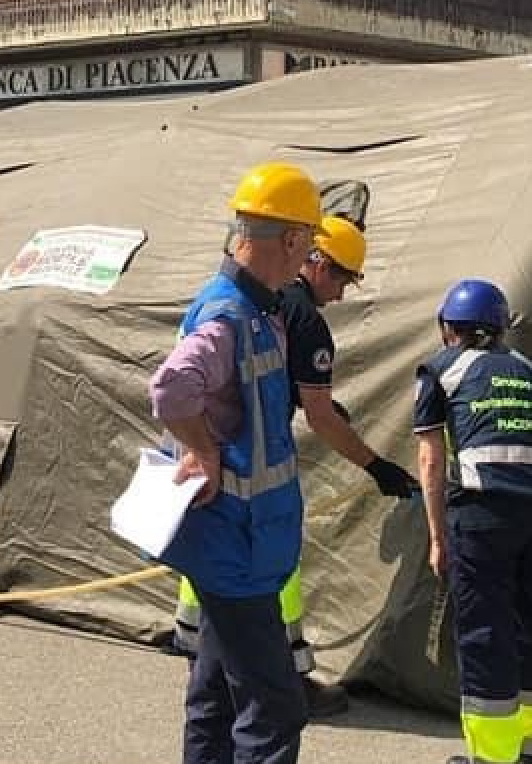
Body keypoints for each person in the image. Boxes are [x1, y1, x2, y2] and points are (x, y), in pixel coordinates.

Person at [171, 214, 419, 719]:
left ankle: (209, 663)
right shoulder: (303, 319)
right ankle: (286, 676)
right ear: (316, 260)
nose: (344, 293)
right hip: (254, 486)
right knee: (273, 587)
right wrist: (376, 466)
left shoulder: (247, 300)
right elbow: (321, 416)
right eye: (344, 278)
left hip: (210, 479)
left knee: (213, 639)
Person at [150, 161, 322, 764]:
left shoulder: (254, 311)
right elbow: (171, 389)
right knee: (276, 709)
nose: (308, 263)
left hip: (239, 541)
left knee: (216, 696)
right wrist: (201, 449)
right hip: (237, 543)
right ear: (294, 238)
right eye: (308, 245)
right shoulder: (229, 317)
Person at [413, 279, 532, 764]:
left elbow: (431, 461)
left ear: (448, 329)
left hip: (485, 513)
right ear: (501, 328)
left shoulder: (441, 370)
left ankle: (491, 757)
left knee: (485, 631)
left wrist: (438, 537)